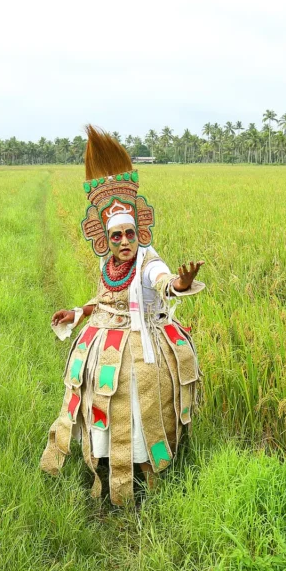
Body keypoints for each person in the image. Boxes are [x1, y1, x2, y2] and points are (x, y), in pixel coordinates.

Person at [40, 126, 205, 506]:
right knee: (100, 395)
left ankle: (143, 468)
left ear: (139, 231)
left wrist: (180, 283)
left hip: (141, 347)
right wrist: (78, 312)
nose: (125, 243)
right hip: (105, 342)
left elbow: (163, 283)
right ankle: (102, 460)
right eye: (117, 238)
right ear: (106, 239)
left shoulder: (148, 260)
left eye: (130, 234)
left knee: (137, 400)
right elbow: (103, 300)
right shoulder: (106, 264)